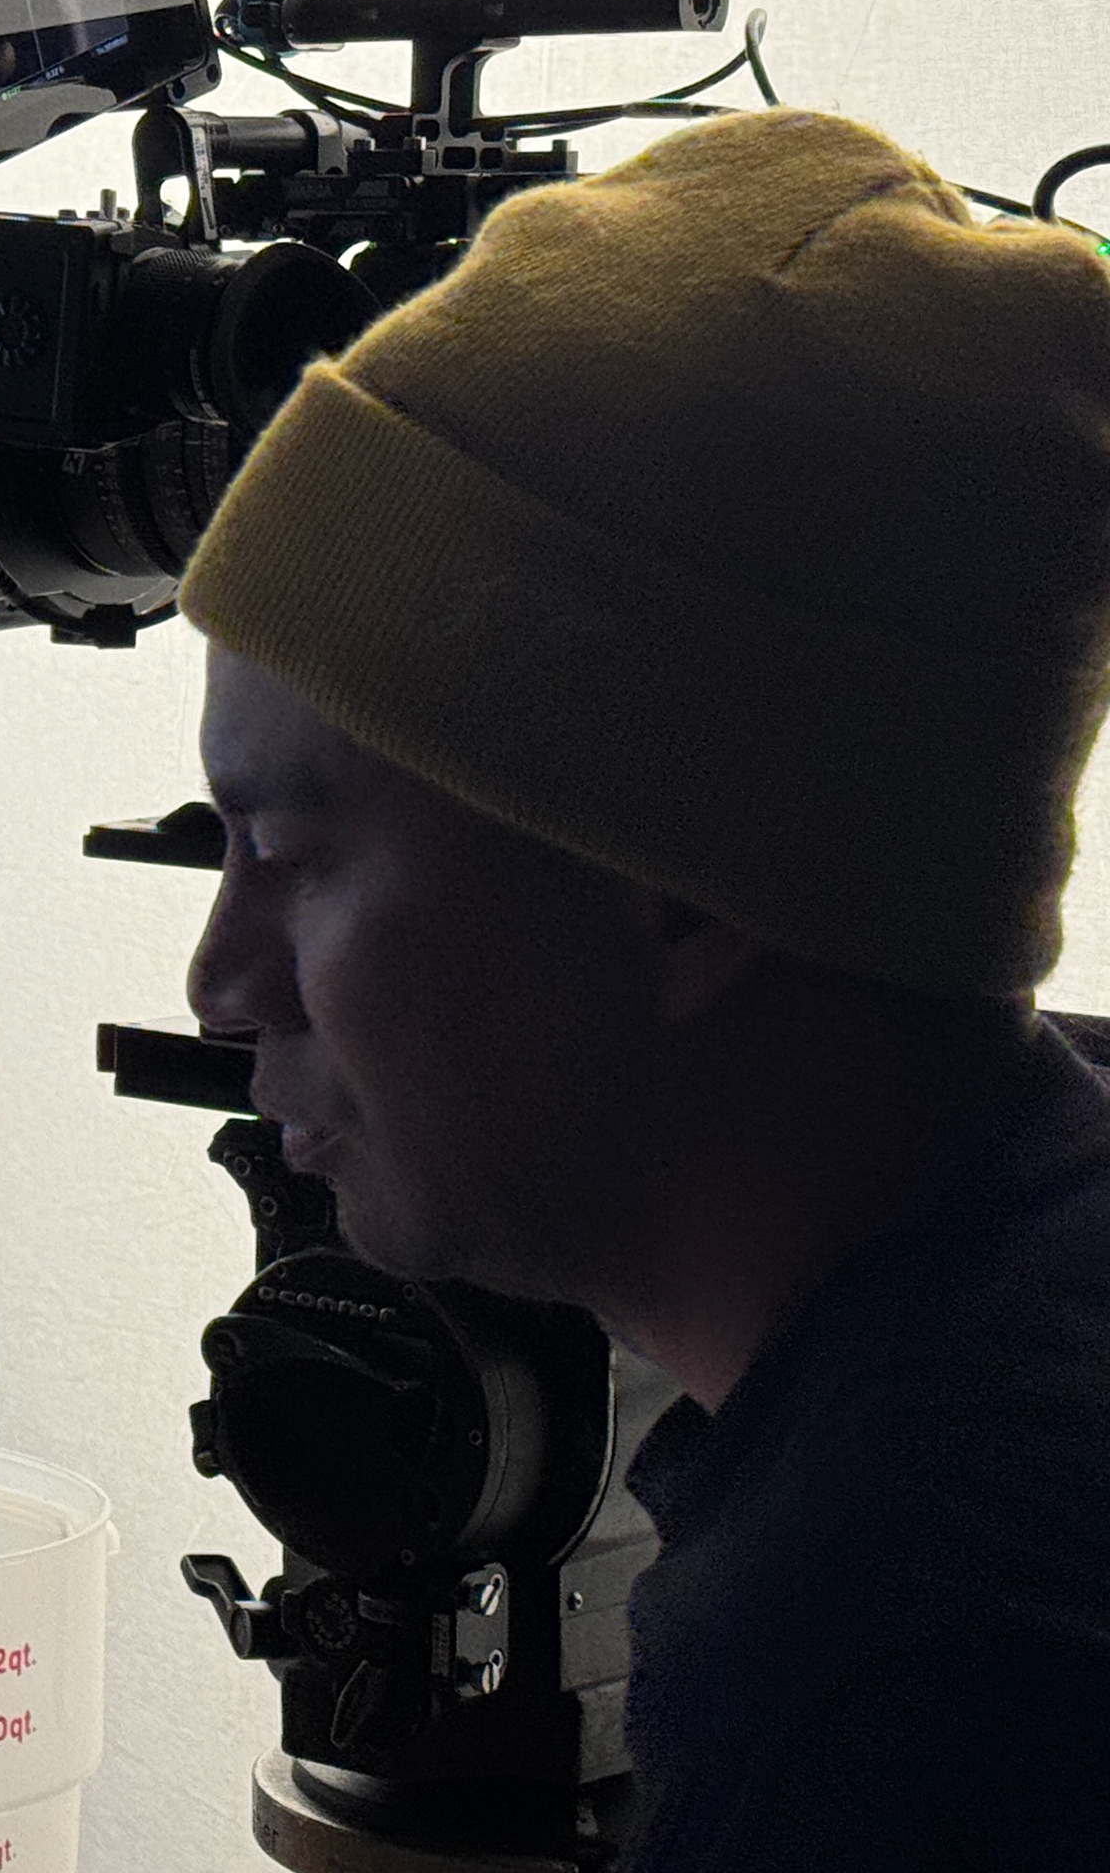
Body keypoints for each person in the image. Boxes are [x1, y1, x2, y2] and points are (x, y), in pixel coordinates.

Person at [175, 108, 1110, 1865]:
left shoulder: (924, 1673)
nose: (220, 983)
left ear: (673, 894)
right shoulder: (1028, 1283)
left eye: (289, 850)